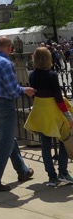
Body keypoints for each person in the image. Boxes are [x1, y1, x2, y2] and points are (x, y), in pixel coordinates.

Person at [0, 36, 36, 192]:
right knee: (5, 144)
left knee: (8, 138)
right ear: (10, 47)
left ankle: (23, 171)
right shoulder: (5, 63)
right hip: (4, 105)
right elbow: (13, 90)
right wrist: (26, 90)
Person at [25, 47, 73, 186]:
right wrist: (68, 116)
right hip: (54, 112)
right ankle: (63, 172)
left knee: (45, 146)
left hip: (40, 112)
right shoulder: (51, 75)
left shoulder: (32, 75)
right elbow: (58, 98)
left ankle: (51, 177)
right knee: (64, 140)